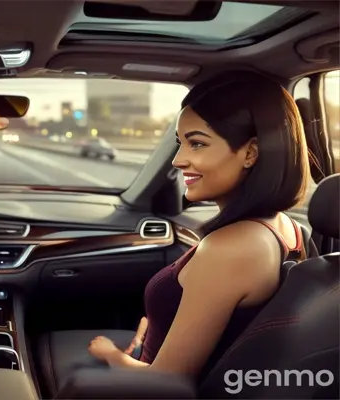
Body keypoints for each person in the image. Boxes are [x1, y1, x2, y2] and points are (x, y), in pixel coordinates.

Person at [87, 71, 310, 380]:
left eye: (197, 144)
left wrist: (108, 354)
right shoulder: (286, 228)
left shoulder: (232, 248)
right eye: (181, 143)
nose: (178, 160)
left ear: (250, 153)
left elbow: (167, 383)